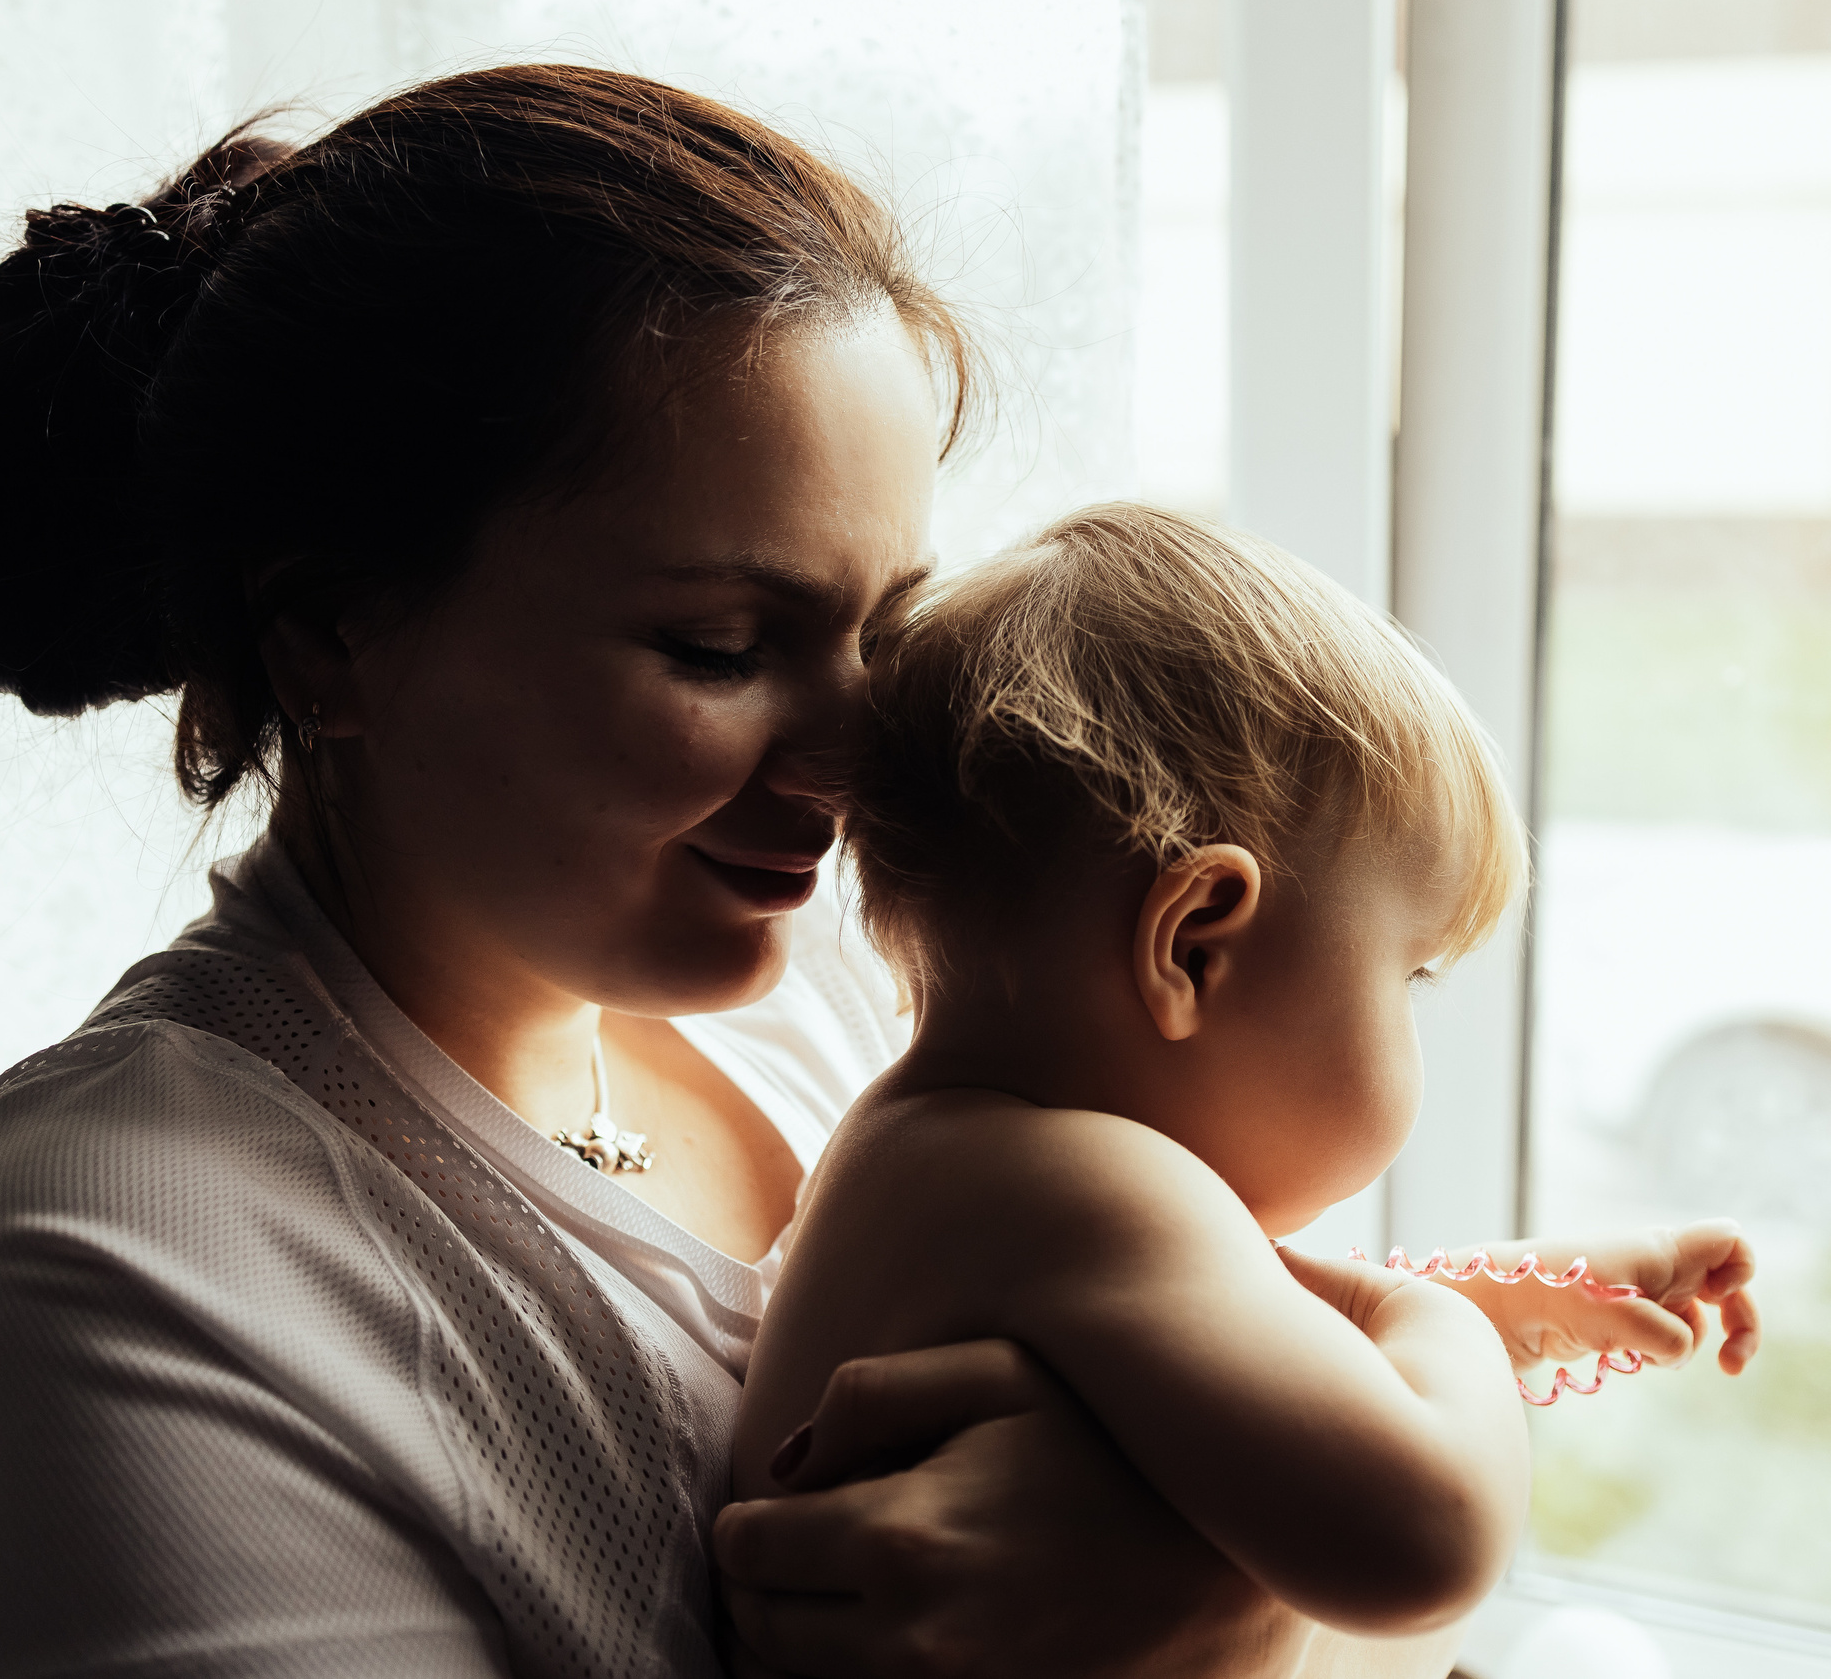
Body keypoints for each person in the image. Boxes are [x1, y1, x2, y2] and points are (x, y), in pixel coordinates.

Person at [0, 64, 1322, 1678]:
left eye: (885, 631)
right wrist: (1237, 1606)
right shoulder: (111, 1275)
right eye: (719, 645)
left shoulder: (857, 1003)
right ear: (332, 634)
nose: (859, 756)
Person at [728, 507, 1762, 1663]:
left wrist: (1502, 1306)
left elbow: (1237, 1355)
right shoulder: (1083, 1188)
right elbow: (1431, 1540)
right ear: (1194, 944)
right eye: (1408, 974)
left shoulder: (918, 1153)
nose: (1413, 1019)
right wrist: (1441, 1324)